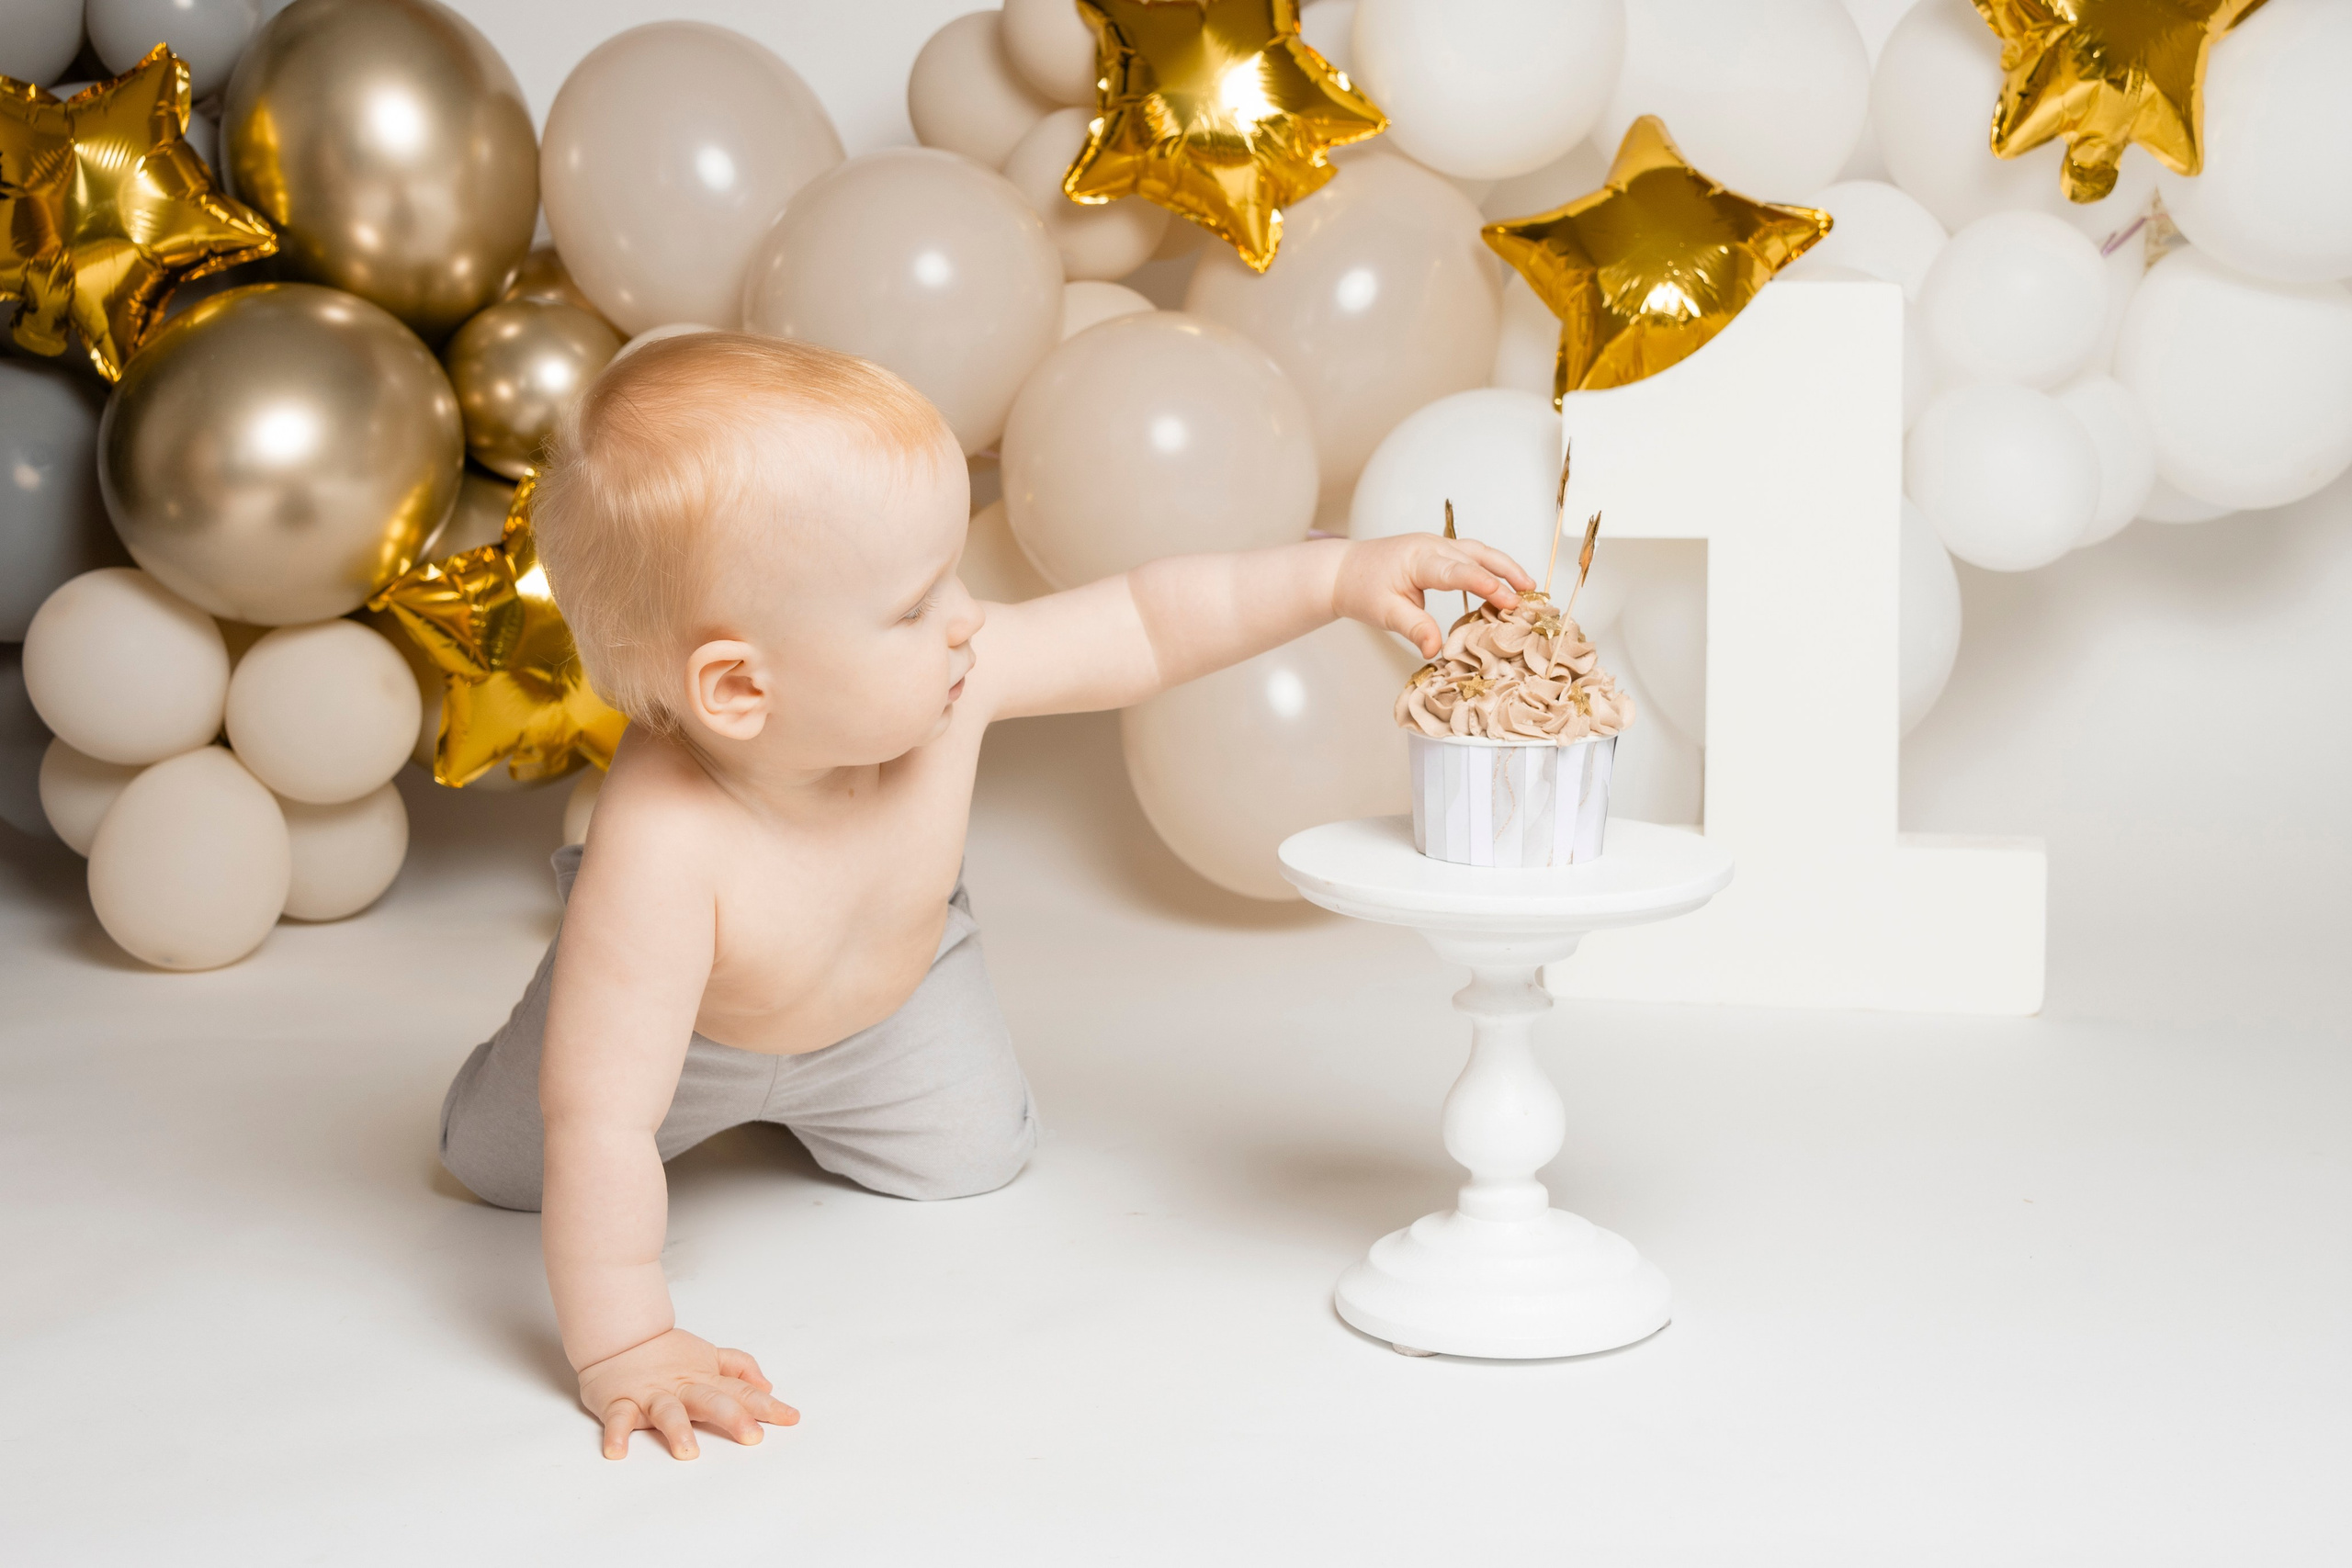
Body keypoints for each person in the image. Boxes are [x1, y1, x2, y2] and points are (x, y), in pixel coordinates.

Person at [436, 332, 1532, 1460]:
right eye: (912, 607)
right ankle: (564, 1052)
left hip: (891, 1000)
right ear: (740, 688)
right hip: (682, 1032)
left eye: (950, 574)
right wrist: (627, 1341)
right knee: (516, 1162)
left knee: (979, 1158)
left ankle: (841, 1080)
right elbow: (605, 1120)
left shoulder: (957, 676)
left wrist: (1336, 575)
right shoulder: (662, 847)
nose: (965, 615)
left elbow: (1150, 622)